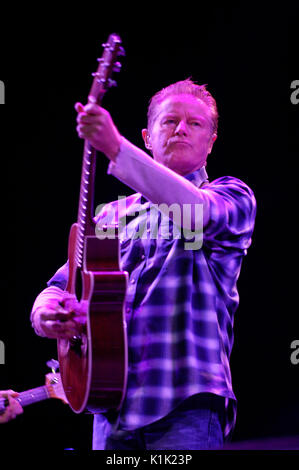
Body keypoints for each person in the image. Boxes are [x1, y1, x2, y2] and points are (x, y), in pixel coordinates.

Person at [30, 79, 256, 450]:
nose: (181, 128)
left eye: (195, 124)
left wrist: (116, 148)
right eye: (169, 121)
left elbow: (195, 214)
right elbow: (58, 286)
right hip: (109, 406)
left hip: (186, 404)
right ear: (148, 136)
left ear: (211, 142)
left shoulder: (231, 196)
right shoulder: (110, 216)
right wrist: (47, 313)